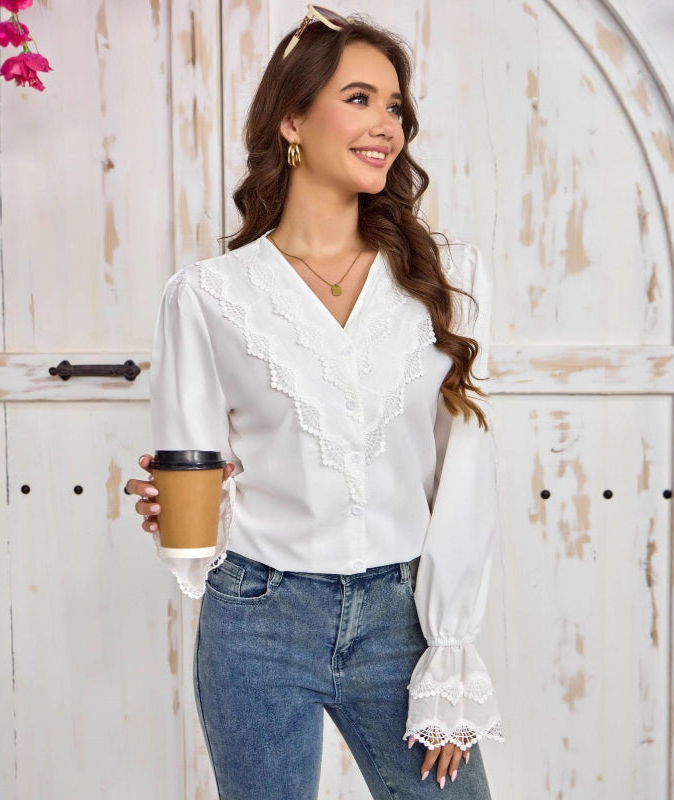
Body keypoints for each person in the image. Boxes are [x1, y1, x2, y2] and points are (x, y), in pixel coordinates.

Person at [125, 6, 503, 798]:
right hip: (257, 618)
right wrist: (186, 513)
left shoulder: (449, 279)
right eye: (359, 98)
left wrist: (452, 647)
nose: (386, 124)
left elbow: (466, 466)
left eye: (394, 105)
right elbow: (199, 472)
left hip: (404, 621)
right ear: (292, 121)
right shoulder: (208, 296)